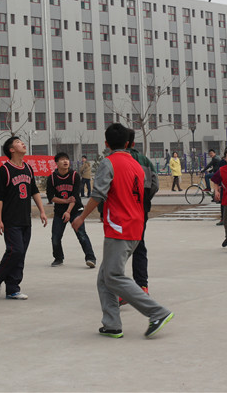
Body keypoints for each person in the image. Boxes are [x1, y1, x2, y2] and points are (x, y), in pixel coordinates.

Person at [71, 123, 174, 339]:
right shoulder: (137, 165)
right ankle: (112, 324)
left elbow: (98, 194)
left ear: (106, 144)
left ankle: (157, 312)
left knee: (114, 276)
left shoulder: (108, 163)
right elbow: (148, 189)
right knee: (104, 278)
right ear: (127, 143)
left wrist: (81, 217)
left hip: (119, 227)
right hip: (136, 225)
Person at [0, 136, 48, 300]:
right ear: (11, 149)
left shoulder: (28, 168)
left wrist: (42, 211)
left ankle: (13, 289)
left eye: (22, 141)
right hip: (10, 220)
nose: (22, 143)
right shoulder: (5, 170)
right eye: (18, 142)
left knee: (21, 255)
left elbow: (34, 191)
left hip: (25, 219)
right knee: (15, 251)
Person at [122, 129, 159, 302]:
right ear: (133, 143)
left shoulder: (115, 161)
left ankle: (121, 290)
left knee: (119, 249)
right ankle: (142, 286)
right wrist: (144, 201)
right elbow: (155, 184)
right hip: (140, 209)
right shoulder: (145, 161)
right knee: (139, 245)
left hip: (120, 210)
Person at [46, 152, 97, 268]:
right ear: (56, 163)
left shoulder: (74, 176)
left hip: (75, 210)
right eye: (62, 160)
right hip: (59, 211)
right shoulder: (52, 178)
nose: (65, 162)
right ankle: (58, 258)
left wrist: (68, 211)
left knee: (81, 234)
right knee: (55, 236)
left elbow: (74, 197)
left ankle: (91, 258)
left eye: (67, 159)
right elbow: (51, 197)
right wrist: (64, 202)